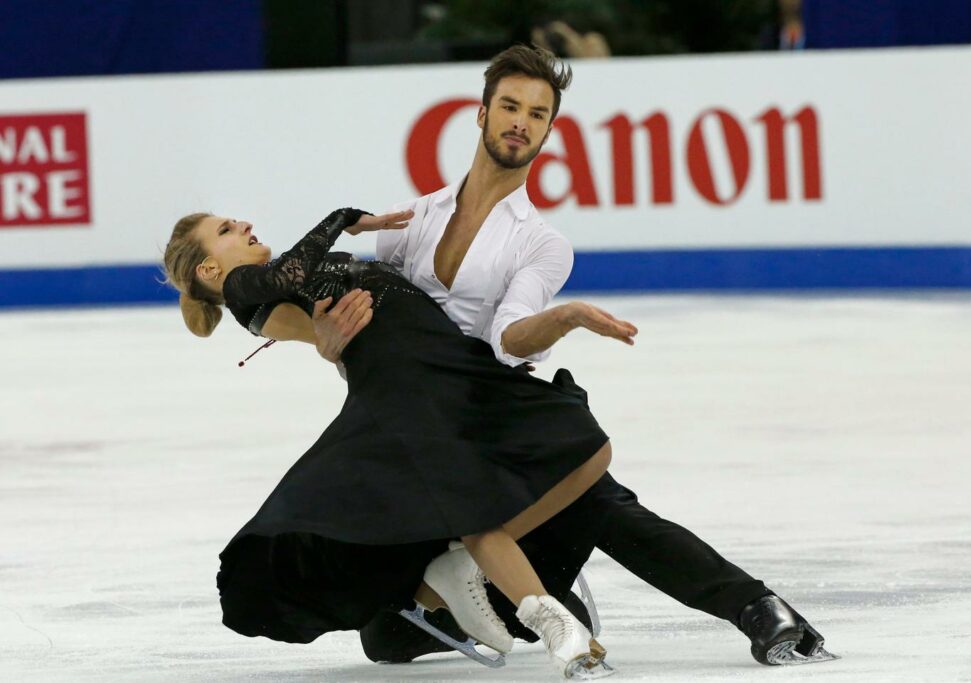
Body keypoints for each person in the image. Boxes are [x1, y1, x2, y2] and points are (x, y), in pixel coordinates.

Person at [308, 44, 835, 667]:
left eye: (536, 114)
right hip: (424, 434)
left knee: (598, 499)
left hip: (497, 417)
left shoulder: (541, 243)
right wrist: (330, 346)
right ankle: (534, 598)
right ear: (480, 114)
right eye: (509, 106)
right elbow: (378, 336)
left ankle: (756, 607)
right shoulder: (409, 220)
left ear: (548, 132)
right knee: (384, 639)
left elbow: (508, 338)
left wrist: (563, 318)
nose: (520, 122)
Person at [161, 206, 620, 679]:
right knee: (475, 507)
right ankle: (562, 637)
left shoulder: (274, 284)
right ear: (210, 269)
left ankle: (461, 565)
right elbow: (287, 287)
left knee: (588, 447)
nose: (244, 224)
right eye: (225, 230)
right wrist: (338, 218)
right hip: (406, 383)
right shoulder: (244, 293)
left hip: (450, 364)